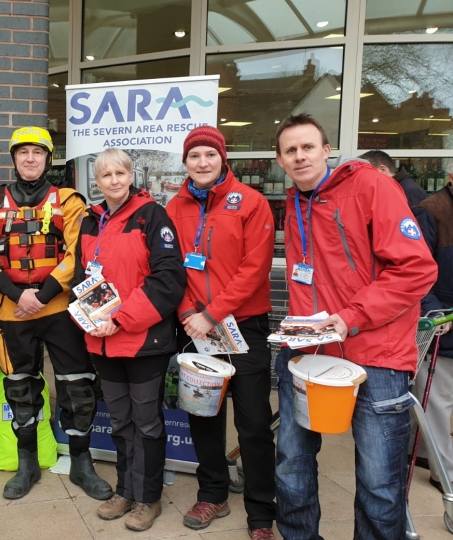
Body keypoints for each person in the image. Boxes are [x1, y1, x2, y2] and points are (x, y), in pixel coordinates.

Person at [273, 113, 436, 540]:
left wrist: (351, 317)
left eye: (308, 146)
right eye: (290, 150)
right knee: (292, 461)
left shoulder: (371, 186)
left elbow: (417, 269)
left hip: (377, 356)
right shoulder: (294, 202)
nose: (300, 155)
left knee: (380, 480)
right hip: (309, 353)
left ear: (327, 150)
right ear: (280, 160)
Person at [0, 126, 112, 501]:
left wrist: (44, 294)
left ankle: (82, 464)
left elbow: (78, 253)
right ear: (13, 158)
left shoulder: (69, 201)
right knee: (21, 389)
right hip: (13, 311)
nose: (30, 159)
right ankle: (27, 462)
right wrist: (16, 293)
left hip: (60, 309)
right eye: (23, 152)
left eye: (38, 152)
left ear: (49, 158)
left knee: (77, 386)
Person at [165, 126, 277, 539]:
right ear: (186, 161)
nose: (202, 162)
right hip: (193, 324)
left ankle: (261, 513)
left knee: (253, 423)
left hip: (242, 325)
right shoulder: (174, 206)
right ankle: (212, 492)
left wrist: (212, 313)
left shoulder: (251, 202)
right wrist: (188, 313)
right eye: (194, 156)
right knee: (204, 415)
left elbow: (255, 268)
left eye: (209, 154)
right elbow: (169, 267)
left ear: (223, 157)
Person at [71, 147, 184, 531]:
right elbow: (79, 277)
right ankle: (125, 490)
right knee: (121, 422)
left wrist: (119, 319)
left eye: (120, 173)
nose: (114, 181)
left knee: (147, 423)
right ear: (97, 182)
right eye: (106, 175)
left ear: (130, 174)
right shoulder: (90, 220)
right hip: (102, 341)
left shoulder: (152, 216)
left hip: (143, 341)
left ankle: (148, 498)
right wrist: (90, 318)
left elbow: (168, 279)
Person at [411, 160, 453, 493]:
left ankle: (426, 453)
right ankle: (445, 473)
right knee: (437, 401)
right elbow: (415, 269)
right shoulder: (431, 211)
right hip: (442, 324)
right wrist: (433, 310)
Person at [358, 150, 427, 207]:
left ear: (383, 170)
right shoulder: (394, 187)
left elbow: (417, 221)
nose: (365, 177)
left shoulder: (410, 191)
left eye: (367, 172)